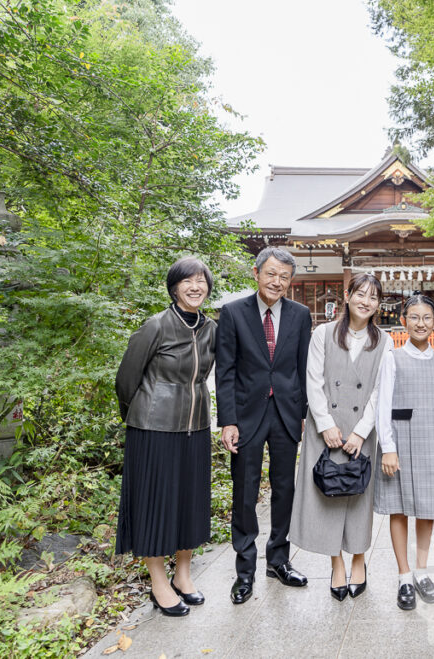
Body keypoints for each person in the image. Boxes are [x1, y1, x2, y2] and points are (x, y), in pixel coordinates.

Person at [114, 257, 216, 617]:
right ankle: (158, 579)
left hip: (197, 427)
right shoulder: (155, 325)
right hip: (153, 428)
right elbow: (126, 380)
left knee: (190, 502)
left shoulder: (210, 329)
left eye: (201, 281)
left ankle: (183, 574)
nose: (195, 287)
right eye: (187, 281)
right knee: (156, 504)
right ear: (174, 287)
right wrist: (139, 415)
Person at [215, 247, 312, 604]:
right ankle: (244, 572)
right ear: (256, 273)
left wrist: (302, 414)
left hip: (286, 414)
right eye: (271, 274)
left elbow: (303, 369)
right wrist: (227, 420)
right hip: (246, 416)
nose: (277, 282)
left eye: (284, 276)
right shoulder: (233, 313)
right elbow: (224, 371)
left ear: (290, 281)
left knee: (285, 489)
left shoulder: (301, 315)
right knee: (245, 491)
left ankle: (279, 560)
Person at [289, 273, 392, 601]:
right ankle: (336, 563)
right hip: (327, 428)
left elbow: (381, 391)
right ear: (347, 296)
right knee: (329, 495)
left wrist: (362, 432)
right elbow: (313, 380)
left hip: (362, 429)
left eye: (373, 297)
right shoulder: (323, 333)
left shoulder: (384, 340)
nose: (366, 301)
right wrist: (325, 424)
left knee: (357, 496)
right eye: (360, 294)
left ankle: (359, 559)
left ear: (379, 304)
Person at [374, 294, 434, 611]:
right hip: (400, 438)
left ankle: (421, 570)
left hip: (431, 436)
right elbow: (382, 404)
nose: (420, 323)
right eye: (413, 317)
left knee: (428, 508)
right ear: (403, 322)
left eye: (426, 317)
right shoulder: (392, 357)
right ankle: (404, 575)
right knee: (399, 508)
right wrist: (387, 447)